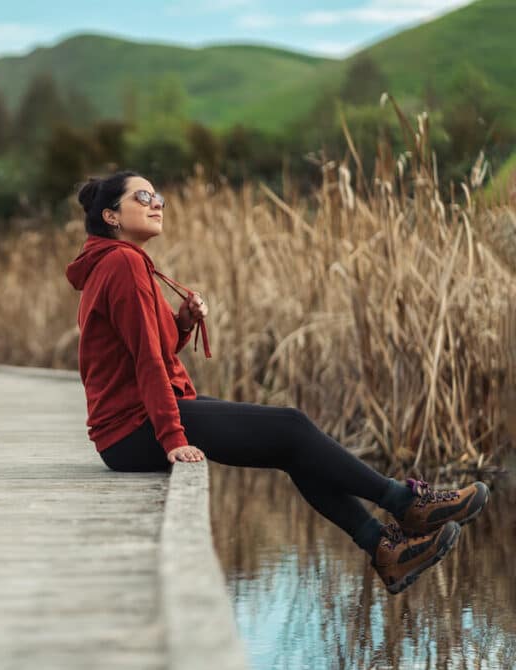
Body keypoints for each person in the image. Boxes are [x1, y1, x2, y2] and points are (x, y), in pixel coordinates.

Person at [64, 170, 490, 595]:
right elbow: (147, 360)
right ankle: (404, 504)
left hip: (129, 427)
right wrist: (173, 438)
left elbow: (146, 346)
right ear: (112, 215)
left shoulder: (117, 262)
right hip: (134, 429)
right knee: (290, 426)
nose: (157, 202)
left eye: (158, 195)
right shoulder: (122, 263)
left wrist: (183, 322)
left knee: (291, 447)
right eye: (143, 196)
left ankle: (385, 548)